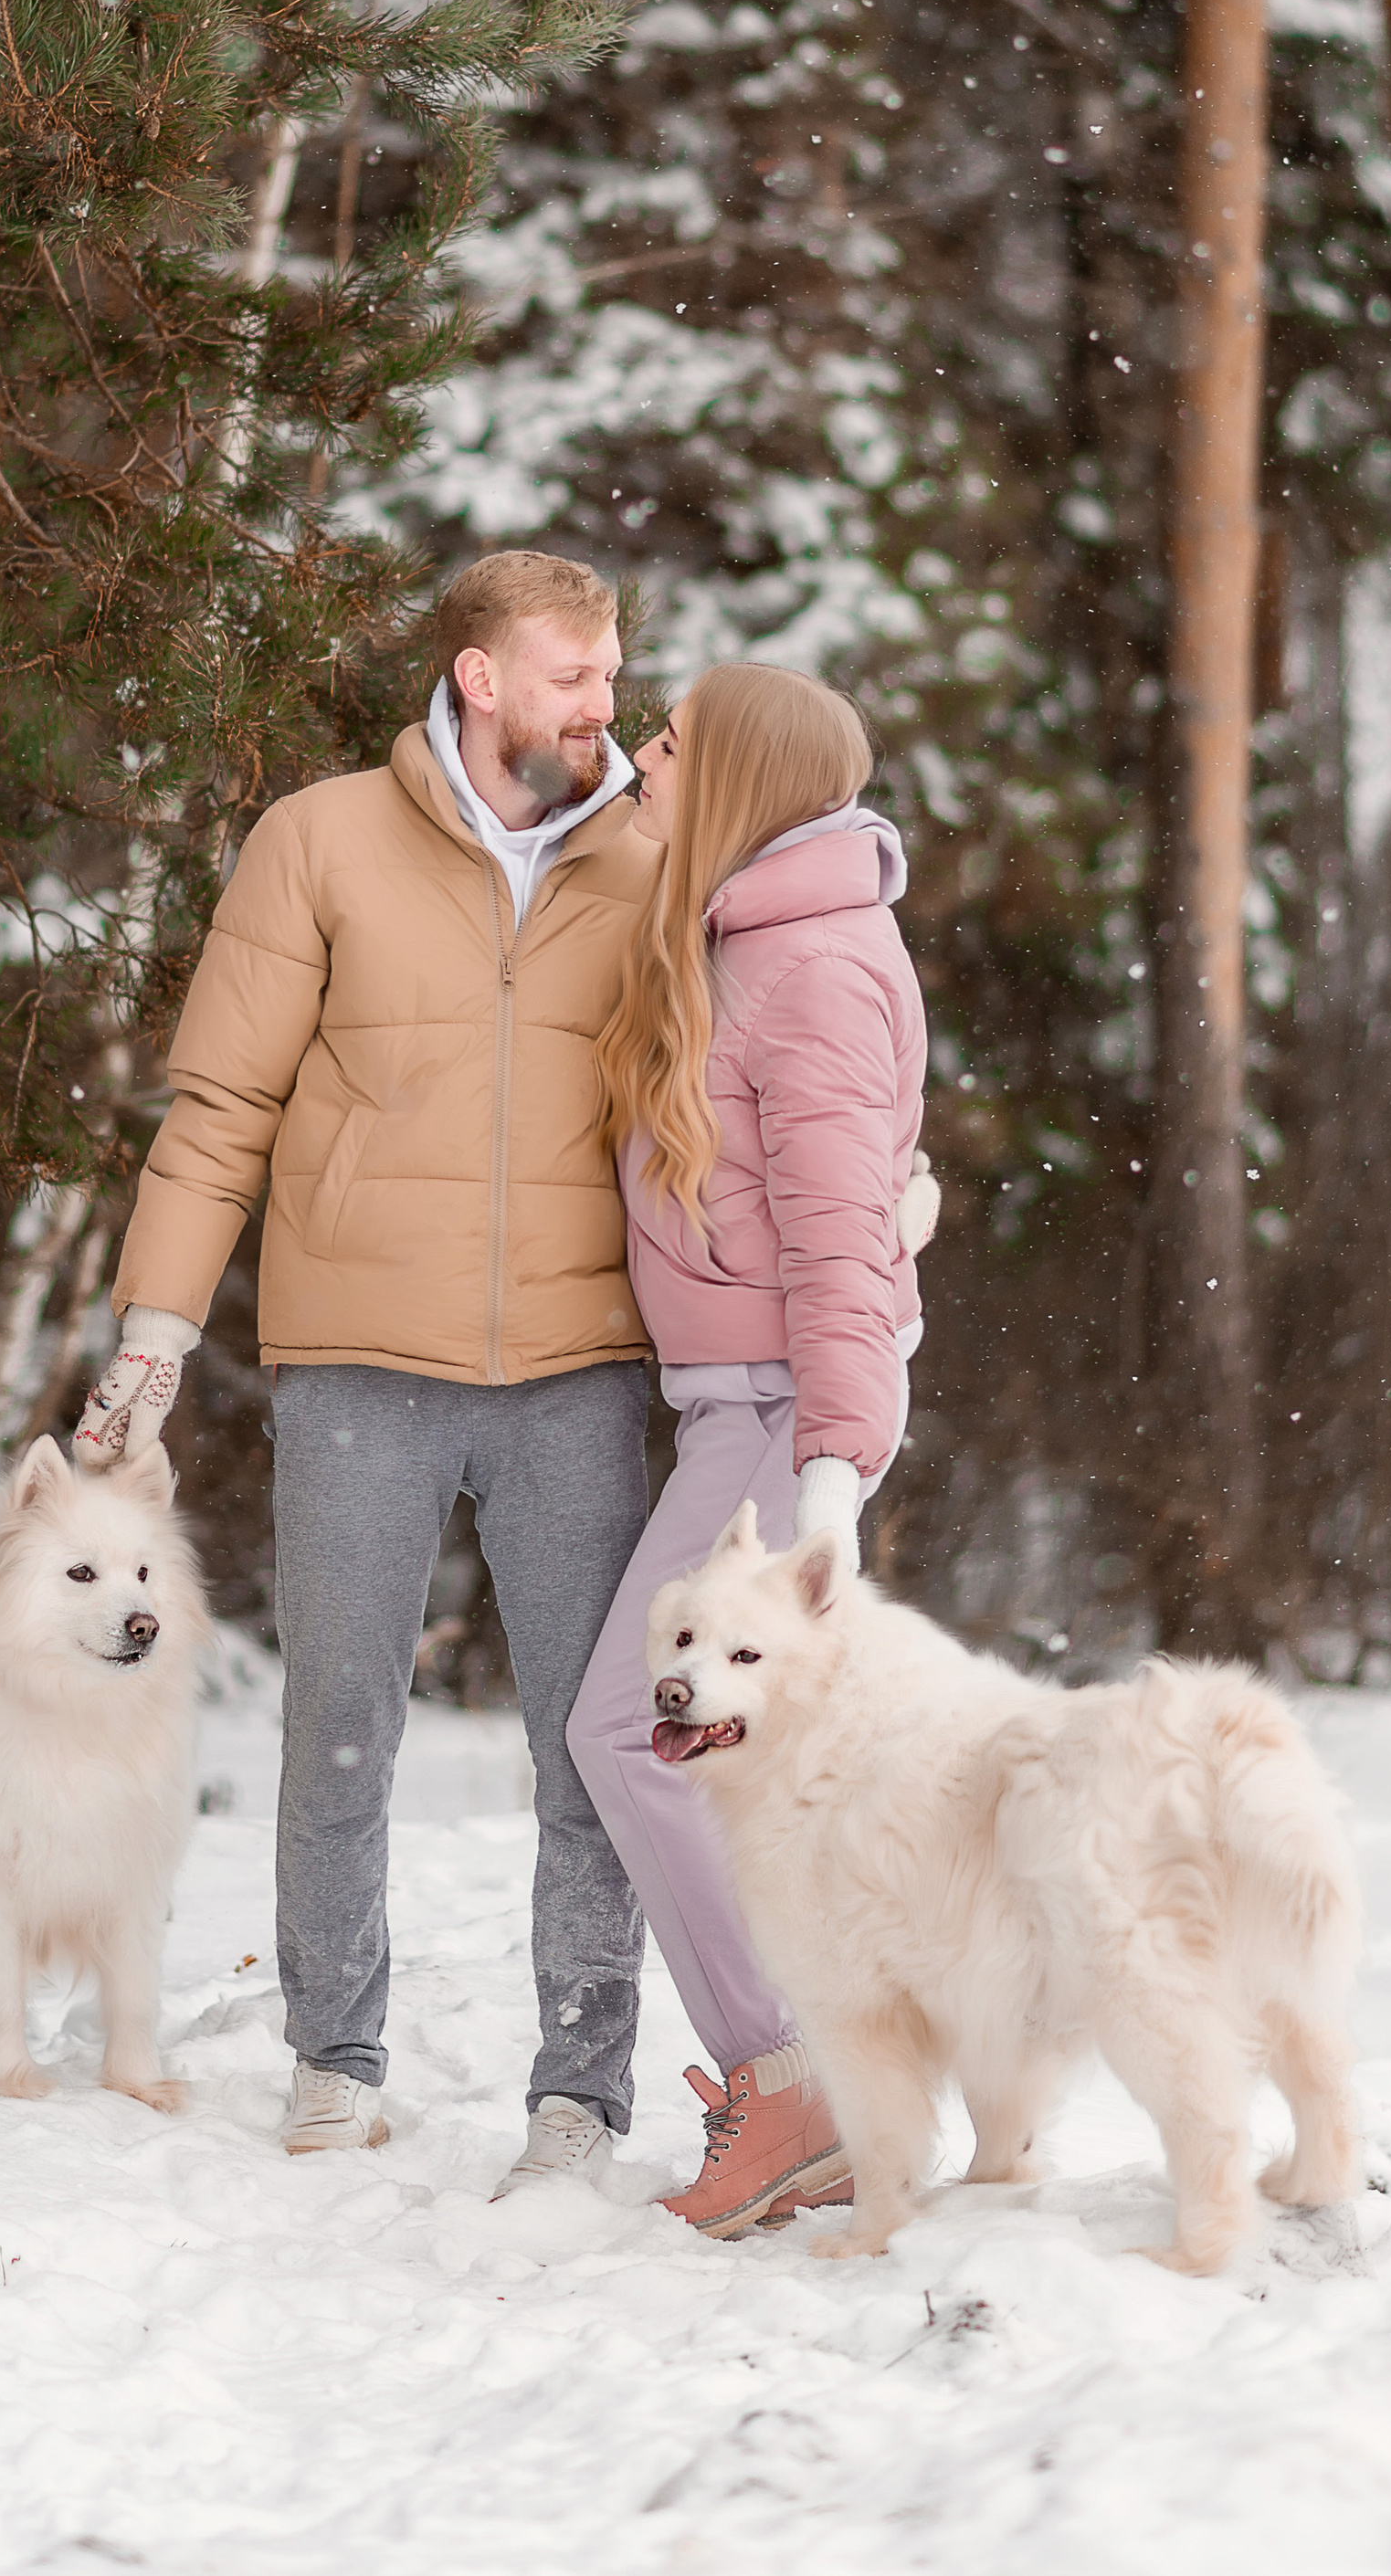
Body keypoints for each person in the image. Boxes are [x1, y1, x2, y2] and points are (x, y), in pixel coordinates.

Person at [73, 551, 659, 2192]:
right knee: (340, 1724)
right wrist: (154, 1334)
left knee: (592, 1742)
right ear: (478, 676)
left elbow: (763, 1062)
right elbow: (219, 1113)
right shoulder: (318, 838)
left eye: (611, 670)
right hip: (355, 1364)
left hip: (580, 1364)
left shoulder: (658, 846)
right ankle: (332, 2056)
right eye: (570, 673)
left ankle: (583, 2086)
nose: (602, 703)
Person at [566, 662, 932, 2236]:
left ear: (736, 778)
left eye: (669, 740)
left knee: (639, 1732)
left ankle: (801, 2084)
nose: (642, 756)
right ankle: (829, 2076)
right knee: (703, 1753)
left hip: (790, 1410)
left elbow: (846, 1243)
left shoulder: (813, 966)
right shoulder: (750, 935)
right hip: (745, 1399)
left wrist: (835, 1473)